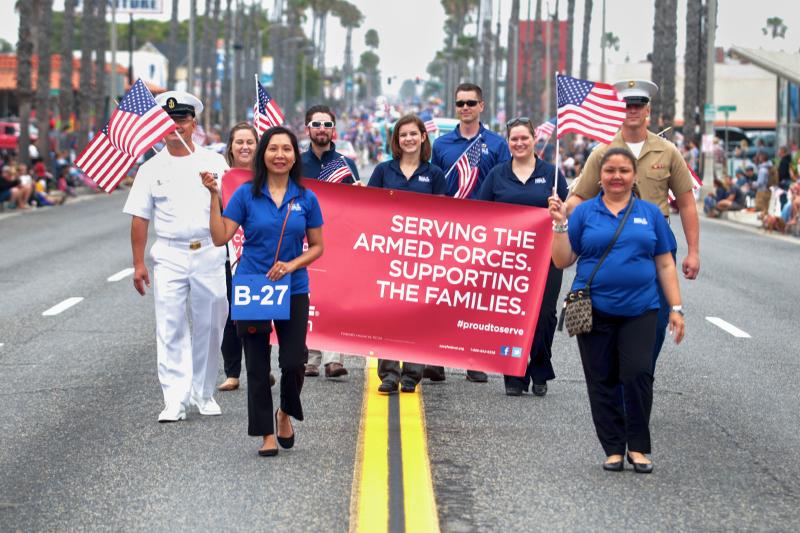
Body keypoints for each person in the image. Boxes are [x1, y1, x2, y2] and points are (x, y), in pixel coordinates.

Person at [549, 147, 685, 473]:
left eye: (624, 170)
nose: (616, 176)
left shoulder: (650, 214)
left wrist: (677, 308)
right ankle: (613, 447)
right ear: (600, 176)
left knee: (638, 374)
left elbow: (665, 263)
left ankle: (637, 447)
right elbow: (562, 260)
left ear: (634, 176)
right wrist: (559, 225)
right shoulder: (583, 214)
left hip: (641, 309)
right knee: (601, 378)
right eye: (610, 170)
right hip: (593, 309)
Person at [204, 126, 324, 457]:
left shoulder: (306, 197)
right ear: (263, 154)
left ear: (294, 156)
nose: (280, 155)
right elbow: (219, 237)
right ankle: (266, 434)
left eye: (287, 149)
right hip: (253, 285)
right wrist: (214, 197)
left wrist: (292, 264)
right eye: (273, 149)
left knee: (294, 360)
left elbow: (317, 247)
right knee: (256, 364)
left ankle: (285, 412)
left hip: (294, 286)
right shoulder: (244, 194)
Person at [566, 79, 698, 371]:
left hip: (655, 243)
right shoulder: (602, 152)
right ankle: (625, 379)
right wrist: (565, 226)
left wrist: (693, 251)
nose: (632, 110)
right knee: (609, 316)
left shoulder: (667, 151)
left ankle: (638, 377)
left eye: (638, 105)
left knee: (658, 318)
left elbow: (687, 203)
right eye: (627, 104)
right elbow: (578, 199)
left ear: (647, 109)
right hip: (611, 243)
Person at [122, 90, 230, 423]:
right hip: (169, 253)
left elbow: (234, 207)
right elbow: (140, 217)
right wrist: (138, 262)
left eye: (181, 120)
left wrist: (215, 189)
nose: (175, 127)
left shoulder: (213, 161)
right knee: (169, 325)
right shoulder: (150, 168)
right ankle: (174, 398)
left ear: (192, 123)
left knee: (211, 323)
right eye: (168, 121)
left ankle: (203, 391)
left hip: (209, 250)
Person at [476, 117, 568, 397]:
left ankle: (540, 367)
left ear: (534, 140)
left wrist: (558, 209)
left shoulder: (552, 175)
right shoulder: (497, 174)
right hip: (508, 259)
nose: (519, 143)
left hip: (546, 257)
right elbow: (481, 215)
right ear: (508, 143)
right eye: (514, 139)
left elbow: (566, 213)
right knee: (511, 314)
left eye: (524, 138)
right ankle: (513, 372)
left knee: (544, 314)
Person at [429, 82, 511, 384]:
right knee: (442, 294)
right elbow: (435, 185)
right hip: (448, 228)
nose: (465, 108)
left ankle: (471, 357)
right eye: (460, 103)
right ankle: (435, 359)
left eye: (470, 103)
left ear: (482, 106)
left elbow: (504, 184)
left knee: (475, 297)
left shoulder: (497, 144)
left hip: (484, 230)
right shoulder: (441, 145)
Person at [367, 114, 447, 394]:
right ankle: (388, 373)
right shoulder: (383, 171)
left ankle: (412, 373)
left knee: (416, 313)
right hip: (388, 253)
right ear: (396, 140)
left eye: (413, 134)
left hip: (422, 255)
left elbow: (444, 216)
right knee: (388, 313)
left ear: (423, 137)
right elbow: (367, 208)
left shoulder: (434, 174)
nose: (409, 139)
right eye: (403, 135)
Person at [216, 123, 277, 392]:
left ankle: (261, 368)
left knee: (259, 313)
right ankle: (232, 372)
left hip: (259, 253)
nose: (244, 147)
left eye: (250, 142)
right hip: (226, 254)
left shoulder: (271, 176)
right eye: (239, 142)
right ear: (230, 147)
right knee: (230, 313)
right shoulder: (221, 177)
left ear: (258, 145)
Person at [300, 104, 359, 379]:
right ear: (307, 128)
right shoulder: (296, 163)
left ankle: (333, 358)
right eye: (316, 124)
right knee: (307, 298)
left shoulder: (347, 165)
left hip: (338, 239)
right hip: (303, 239)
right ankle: (310, 356)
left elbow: (359, 205)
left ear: (333, 130)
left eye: (326, 125)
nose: (321, 129)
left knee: (334, 298)